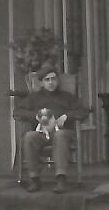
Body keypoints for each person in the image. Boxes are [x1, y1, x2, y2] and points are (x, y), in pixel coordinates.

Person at [12, 64, 89, 193]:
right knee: (29, 137)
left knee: (60, 136)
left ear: (58, 80)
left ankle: (61, 179)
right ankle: (35, 179)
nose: (51, 82)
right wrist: (35, 116)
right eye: (47, 80)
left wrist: (67, 116)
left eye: (53, 79)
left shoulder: (67, 97)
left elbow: (83, 111)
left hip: (62, 132)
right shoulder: (34, 98)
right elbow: (17, 112)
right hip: (41, 133)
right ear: (41, 83)